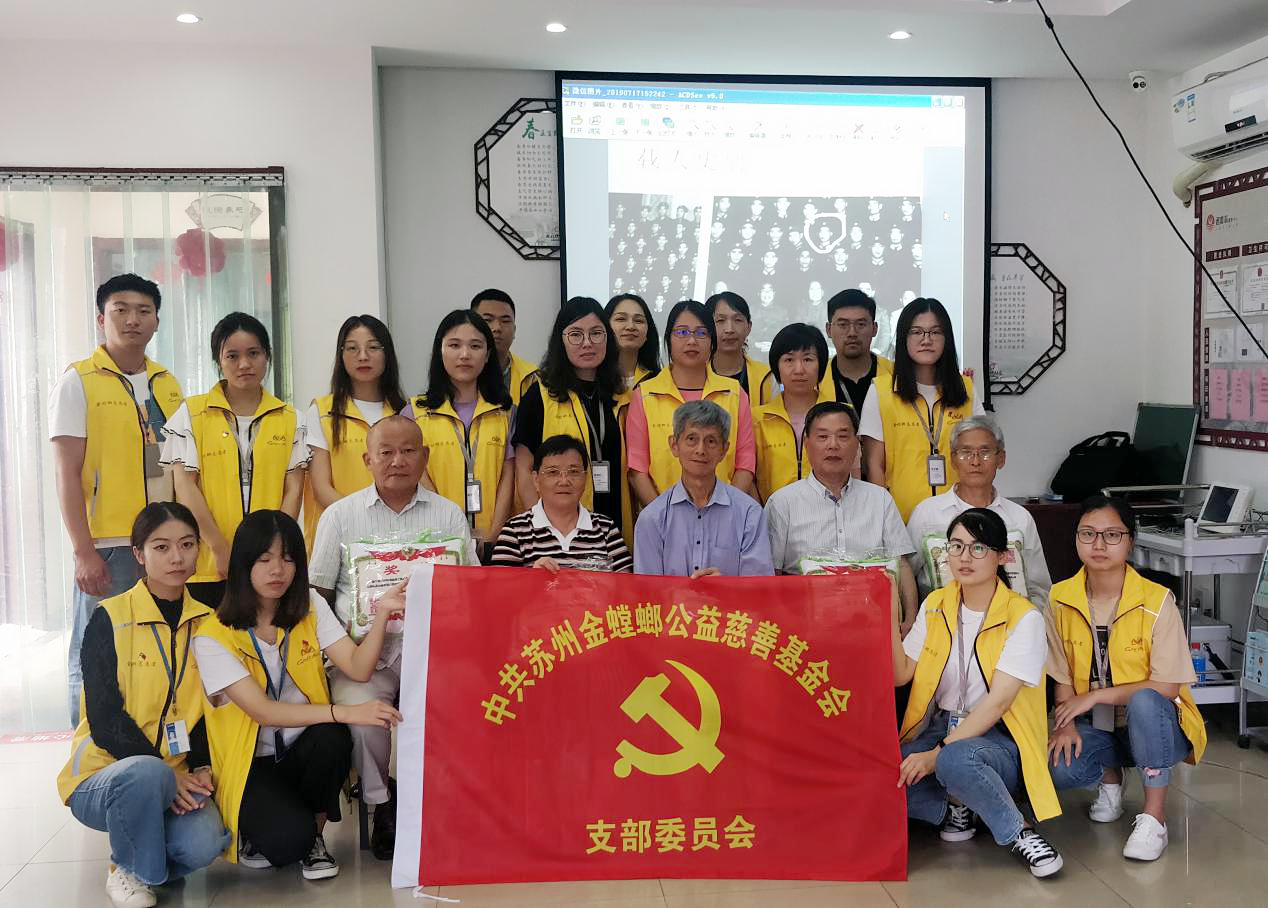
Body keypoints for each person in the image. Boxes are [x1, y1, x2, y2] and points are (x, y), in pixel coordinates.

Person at [193, 510, 406, 878]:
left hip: (301, 749)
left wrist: (383, 613)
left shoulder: (309, 605)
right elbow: (264, 711)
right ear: (243, 564)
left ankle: (315, 838)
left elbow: (358, 668)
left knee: (333, 738)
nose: (277, 570)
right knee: (285, 844)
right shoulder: (213, 635)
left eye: (288, 558)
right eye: (264, 559)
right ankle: (275, 832)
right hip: (251, 764)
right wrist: (344, 712)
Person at [308, 415, 473, 859]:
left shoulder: (448, 514)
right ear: (367, 460)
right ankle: (383, 805)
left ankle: (450, 804)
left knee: (472, 702)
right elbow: (317, 595)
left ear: (425, 456)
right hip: (364, 655)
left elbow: (471, 588)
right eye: (386, 452)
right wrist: (342, 650)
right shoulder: (339, 517)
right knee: (365, 719)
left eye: (408, 451)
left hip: (437, 654)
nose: (397, 461)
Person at [56, 502, 229, 908]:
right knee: (146, 775)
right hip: (106, 774)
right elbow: (105, 718)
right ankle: (127, 869)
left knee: (204, 844)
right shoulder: (109, 617)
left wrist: (200, 766)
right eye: (161, 547)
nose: (177, 557)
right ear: (138, 554)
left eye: (187, 545)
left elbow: (212, 709)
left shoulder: (211, 623)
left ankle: (143, 849)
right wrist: (163, 775)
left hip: (176, 776)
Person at [892, 508, 1062, 878]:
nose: (965, 557)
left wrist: (936, 755)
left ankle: (1019, 831)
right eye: (956, 546)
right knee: (885, 769)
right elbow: (900, 673)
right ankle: (959, 806)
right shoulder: (936, 604)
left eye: (978, 547)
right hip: (942, 725)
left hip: (1000, 736)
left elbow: (998, 703)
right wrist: (888, 614)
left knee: (955, 760)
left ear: (1003, 556)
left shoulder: (1024, 617)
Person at [50, 273, 185, 724]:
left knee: (152, 650)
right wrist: (83, 551)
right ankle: (88, 754)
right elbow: (66, 473)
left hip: (163, 541)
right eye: (120, 310)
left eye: (144, 311)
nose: (132, 319)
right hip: (109, 545)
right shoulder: (79, 381)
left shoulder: (167, 384)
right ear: (101, 318)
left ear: (156, 321)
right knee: (96, 651)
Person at [1047, 496, 1206, 862]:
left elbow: (1166, 686)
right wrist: (1065, 723)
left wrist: (1094, 697)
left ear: (1130, 541)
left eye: (1112, 534)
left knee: (1146, 701)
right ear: (1076, 539)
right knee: (1060, 768)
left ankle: (1154, 818)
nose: (1099, 544)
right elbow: (1060, 672)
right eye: (1088, 534)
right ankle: (1111, 780)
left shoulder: (1157, 600)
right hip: (1098, 725)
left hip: (1158, 726)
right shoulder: (1059, 597)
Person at [161, 312, 308, 608]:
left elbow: (294, 490)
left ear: (267, 356)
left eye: (253, 353)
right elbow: (185, 487)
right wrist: (219, 547)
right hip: (207, 563)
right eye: (232, 356)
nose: (244, 364)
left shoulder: (291, 419)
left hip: (269, 568)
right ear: (219, 361)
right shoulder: (192, 414)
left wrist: (272, 551)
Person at [764, 400, 916, 621]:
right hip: (805, 624)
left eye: (843, 436)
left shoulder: (880, 499)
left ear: (857, 445)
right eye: (823, 437)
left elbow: (901, 564)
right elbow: (772, 574)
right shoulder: (782, 503)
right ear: (806, 444)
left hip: (873, 622)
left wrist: (910, 619)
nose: (833, 445)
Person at [907, 415, 1052, 607]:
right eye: (966, 452)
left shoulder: (1019, 518)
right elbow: (905, 579)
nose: (975, 461)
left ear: (1001, 459)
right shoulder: (927, 514)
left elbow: (1039, 587)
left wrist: (1028, 620)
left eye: (985, 452)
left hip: (1009, 621)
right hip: (940, 621)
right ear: (953, 459)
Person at [860, 297, 984, 521]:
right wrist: (885, 520)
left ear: (947, 338)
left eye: (935, 332)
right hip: (901, 518)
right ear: (903, 338)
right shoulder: (880, 391)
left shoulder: (965, 389)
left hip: (960, 518)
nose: (926, 340)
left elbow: (980, 453)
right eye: (916, 332)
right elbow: (874, 465)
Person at [626, 301, 757, 508]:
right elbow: (637, 469)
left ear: (712, 341)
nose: (692, 340)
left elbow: (745, 463)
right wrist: (664, 516)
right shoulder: (645, 395)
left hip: (724, 513)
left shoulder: (734, 393)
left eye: (701, 333)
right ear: (668, 339)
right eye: (682, 332)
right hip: (664, 516)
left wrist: (726, 512)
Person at [512, 297, 624, 529]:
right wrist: (544, 530)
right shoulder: (539, 395)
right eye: (575, 334)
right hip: (558, 527)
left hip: (615, 525)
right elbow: (524, 470)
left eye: (596, 333)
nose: (587, 343)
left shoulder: (622, 395)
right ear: (560, 341)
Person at [408, 309, 514, 552]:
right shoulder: (415, 412)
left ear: (487, 355)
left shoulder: (506, 412)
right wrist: (449, 535)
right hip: (436, 540)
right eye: (454, 345)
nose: (465, 355)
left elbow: (508, 477)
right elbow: (418, 476)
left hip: (496, 542)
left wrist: (494, 536)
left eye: (475, 346)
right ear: (440, 351)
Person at [303, 315, 408, 549]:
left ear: (387, 354)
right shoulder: (322, 411)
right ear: (341, 355)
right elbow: (321, 488)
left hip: (396, 538)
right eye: (352, 348)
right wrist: (367, 522)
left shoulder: (404, 412)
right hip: (338, 537)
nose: (363, 356)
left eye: (373, 347)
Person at [634, 400, 772, 577]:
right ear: (674, 445)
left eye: (711, 441)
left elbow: (759, 587)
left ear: (724, 450)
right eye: (691, 439)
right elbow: (647, 589)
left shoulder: (749, 514)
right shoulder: (652, 518)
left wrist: (726, 586)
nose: (701, 450)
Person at [491, 435, 633, 572]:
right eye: (553, 472)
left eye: (574, 472)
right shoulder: (514, 531)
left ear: (586, 478)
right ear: (536, 480)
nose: (564, 481)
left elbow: (625, 584)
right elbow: (499, 586)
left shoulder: (606, 529)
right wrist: (532, 577)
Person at [752, 324, 836, 503]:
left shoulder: (841, 416)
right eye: (789, 360)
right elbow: (749, 478)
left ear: (821, 364)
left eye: (808, 359)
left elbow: (853, 476)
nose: (799, 369)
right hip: (772, 516)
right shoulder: (757, 419)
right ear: (776, 366)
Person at [825, 288, 893, 414]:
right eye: (843, 325)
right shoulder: (816, 380)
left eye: (861, 324)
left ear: (874, 328)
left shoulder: (896, 375)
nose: (852, 333)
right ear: (829, 330)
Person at [471, 288, 537, 404]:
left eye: (505, 321)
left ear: (514, 330)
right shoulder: (457, 372)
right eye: (488, 320)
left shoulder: (532, 377)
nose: (497, 328)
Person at [705, 291, 773, 402]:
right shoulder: (695, 374)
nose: (729, 329)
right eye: (720, 320)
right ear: (707, 327)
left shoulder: (767, 376)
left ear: (749, 327)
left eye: (738, 320)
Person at [605, 293, 661, 392]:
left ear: (648, 332)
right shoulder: (594, 381)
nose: (631, 326)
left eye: (638, 321)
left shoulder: (660, 381)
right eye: (621, 319)